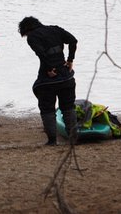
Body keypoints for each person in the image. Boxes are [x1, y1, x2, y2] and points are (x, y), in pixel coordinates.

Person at [18, 16, 78, 146]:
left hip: (48, 78)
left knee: (47, 108)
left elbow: (41, 53)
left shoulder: (32, 37)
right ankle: (73, 138)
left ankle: (52, 140)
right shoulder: (55, 29)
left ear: (26, 30)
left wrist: (50, 69)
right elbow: (73, 41)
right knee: (68, 107)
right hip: (66, 76)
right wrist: (70, 60)